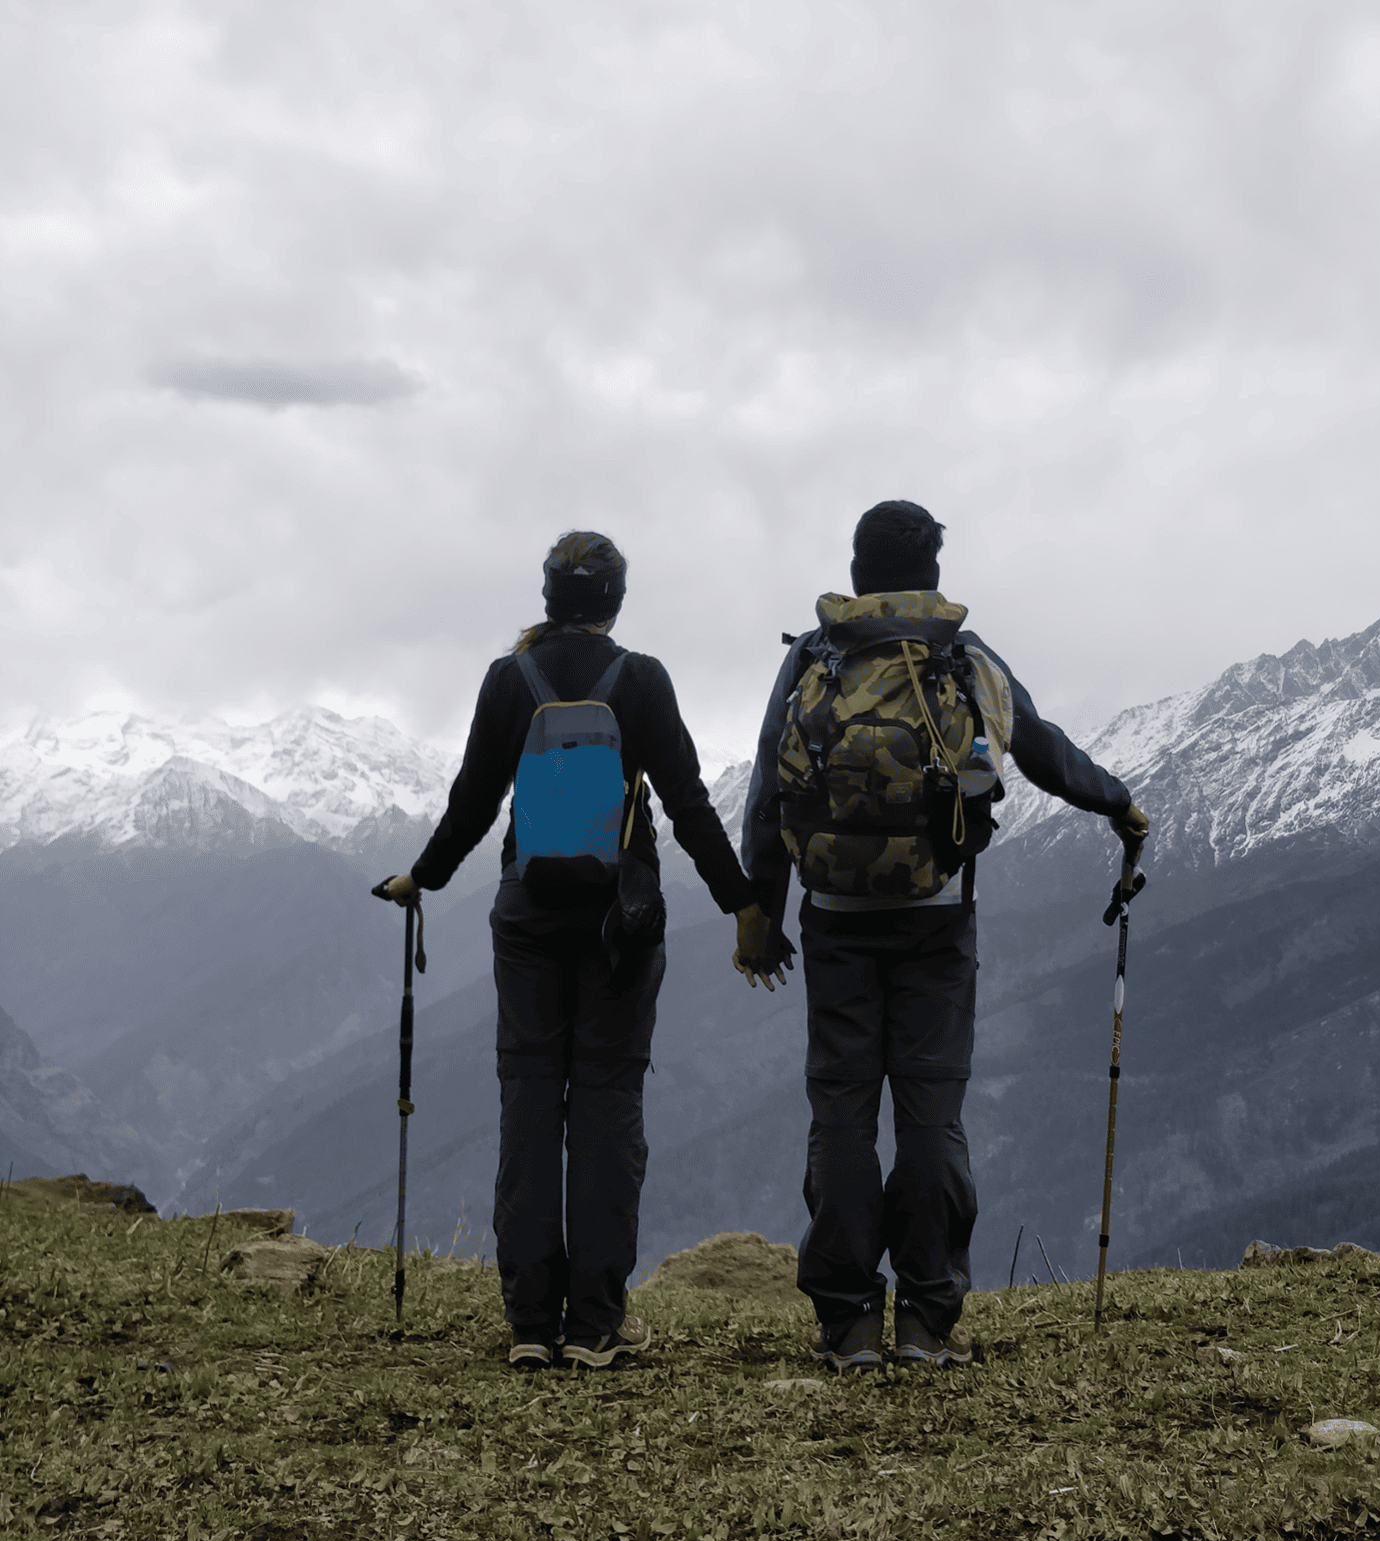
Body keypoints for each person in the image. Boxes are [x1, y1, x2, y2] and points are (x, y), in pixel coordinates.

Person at [741, 500, 1148, 1370]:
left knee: (843, 1116)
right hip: (936, 924)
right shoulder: (963, 658)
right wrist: (1118, 802)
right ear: (932, 572)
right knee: (932, 1116)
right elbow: (1040, 749)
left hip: (834, 923)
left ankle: (848, 1321)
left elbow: (770, 794)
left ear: (855, 571)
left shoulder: (816, 658)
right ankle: (927, 1319)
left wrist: (758, 917)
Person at [378, 531, 771, 1370]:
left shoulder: (507, 680)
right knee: (605, 1106)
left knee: (528, 1102)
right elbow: (690, 804)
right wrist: (744, 905)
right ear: (616, 601)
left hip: (525, 917)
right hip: (620, 921)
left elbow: (474, 802)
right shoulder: (641, 680)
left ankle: (528, 1322)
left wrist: (424, 877)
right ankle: (593, 1324)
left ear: (549, 595)